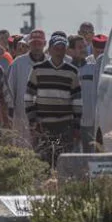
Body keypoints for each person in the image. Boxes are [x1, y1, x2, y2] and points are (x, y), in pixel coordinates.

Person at [25, 34, 82, 164]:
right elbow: (28, 96)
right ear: (49, 50)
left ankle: (60, 183)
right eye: (56, 48)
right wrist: (32, 120)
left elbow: (77, 100)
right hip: (44, 125)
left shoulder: (72, 71)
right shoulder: (37, 69)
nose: (59, 52)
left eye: (62, 48)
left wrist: (77, 125)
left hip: (64, 125)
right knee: (44, 158)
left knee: (62, 158)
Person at [8, 29, 47, 143]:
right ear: (29, 44)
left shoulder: (50, 63)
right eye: (33, 43)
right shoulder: (18, 63)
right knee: (23, 155)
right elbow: (10, 92)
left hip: (45, 119)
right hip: (22, 119)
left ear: (44, 44)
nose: (36, 46)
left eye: (39, 43)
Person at [78, 34, 108, 152]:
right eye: (97, 50)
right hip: (86, 117)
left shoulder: (111, 66)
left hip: (105, 118)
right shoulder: (84, 65)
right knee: (86, 150)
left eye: (102, 50)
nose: (100, 53)